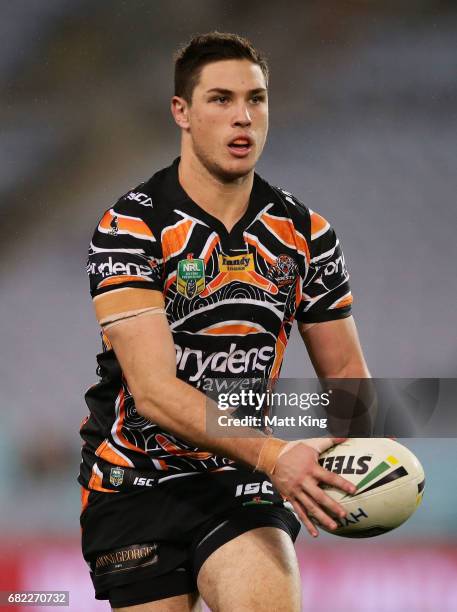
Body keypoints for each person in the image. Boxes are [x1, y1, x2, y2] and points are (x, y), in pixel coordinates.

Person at [79, 32, 370, 611]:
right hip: (134, 479)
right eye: (221, 99)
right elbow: (155, 392)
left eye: (256, 99)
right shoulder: (131, 226)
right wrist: (275, 454)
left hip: (242, 475)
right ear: (181, 112)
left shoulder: (306, 233)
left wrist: (332, 443)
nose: (243, 117)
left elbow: (346, 377)